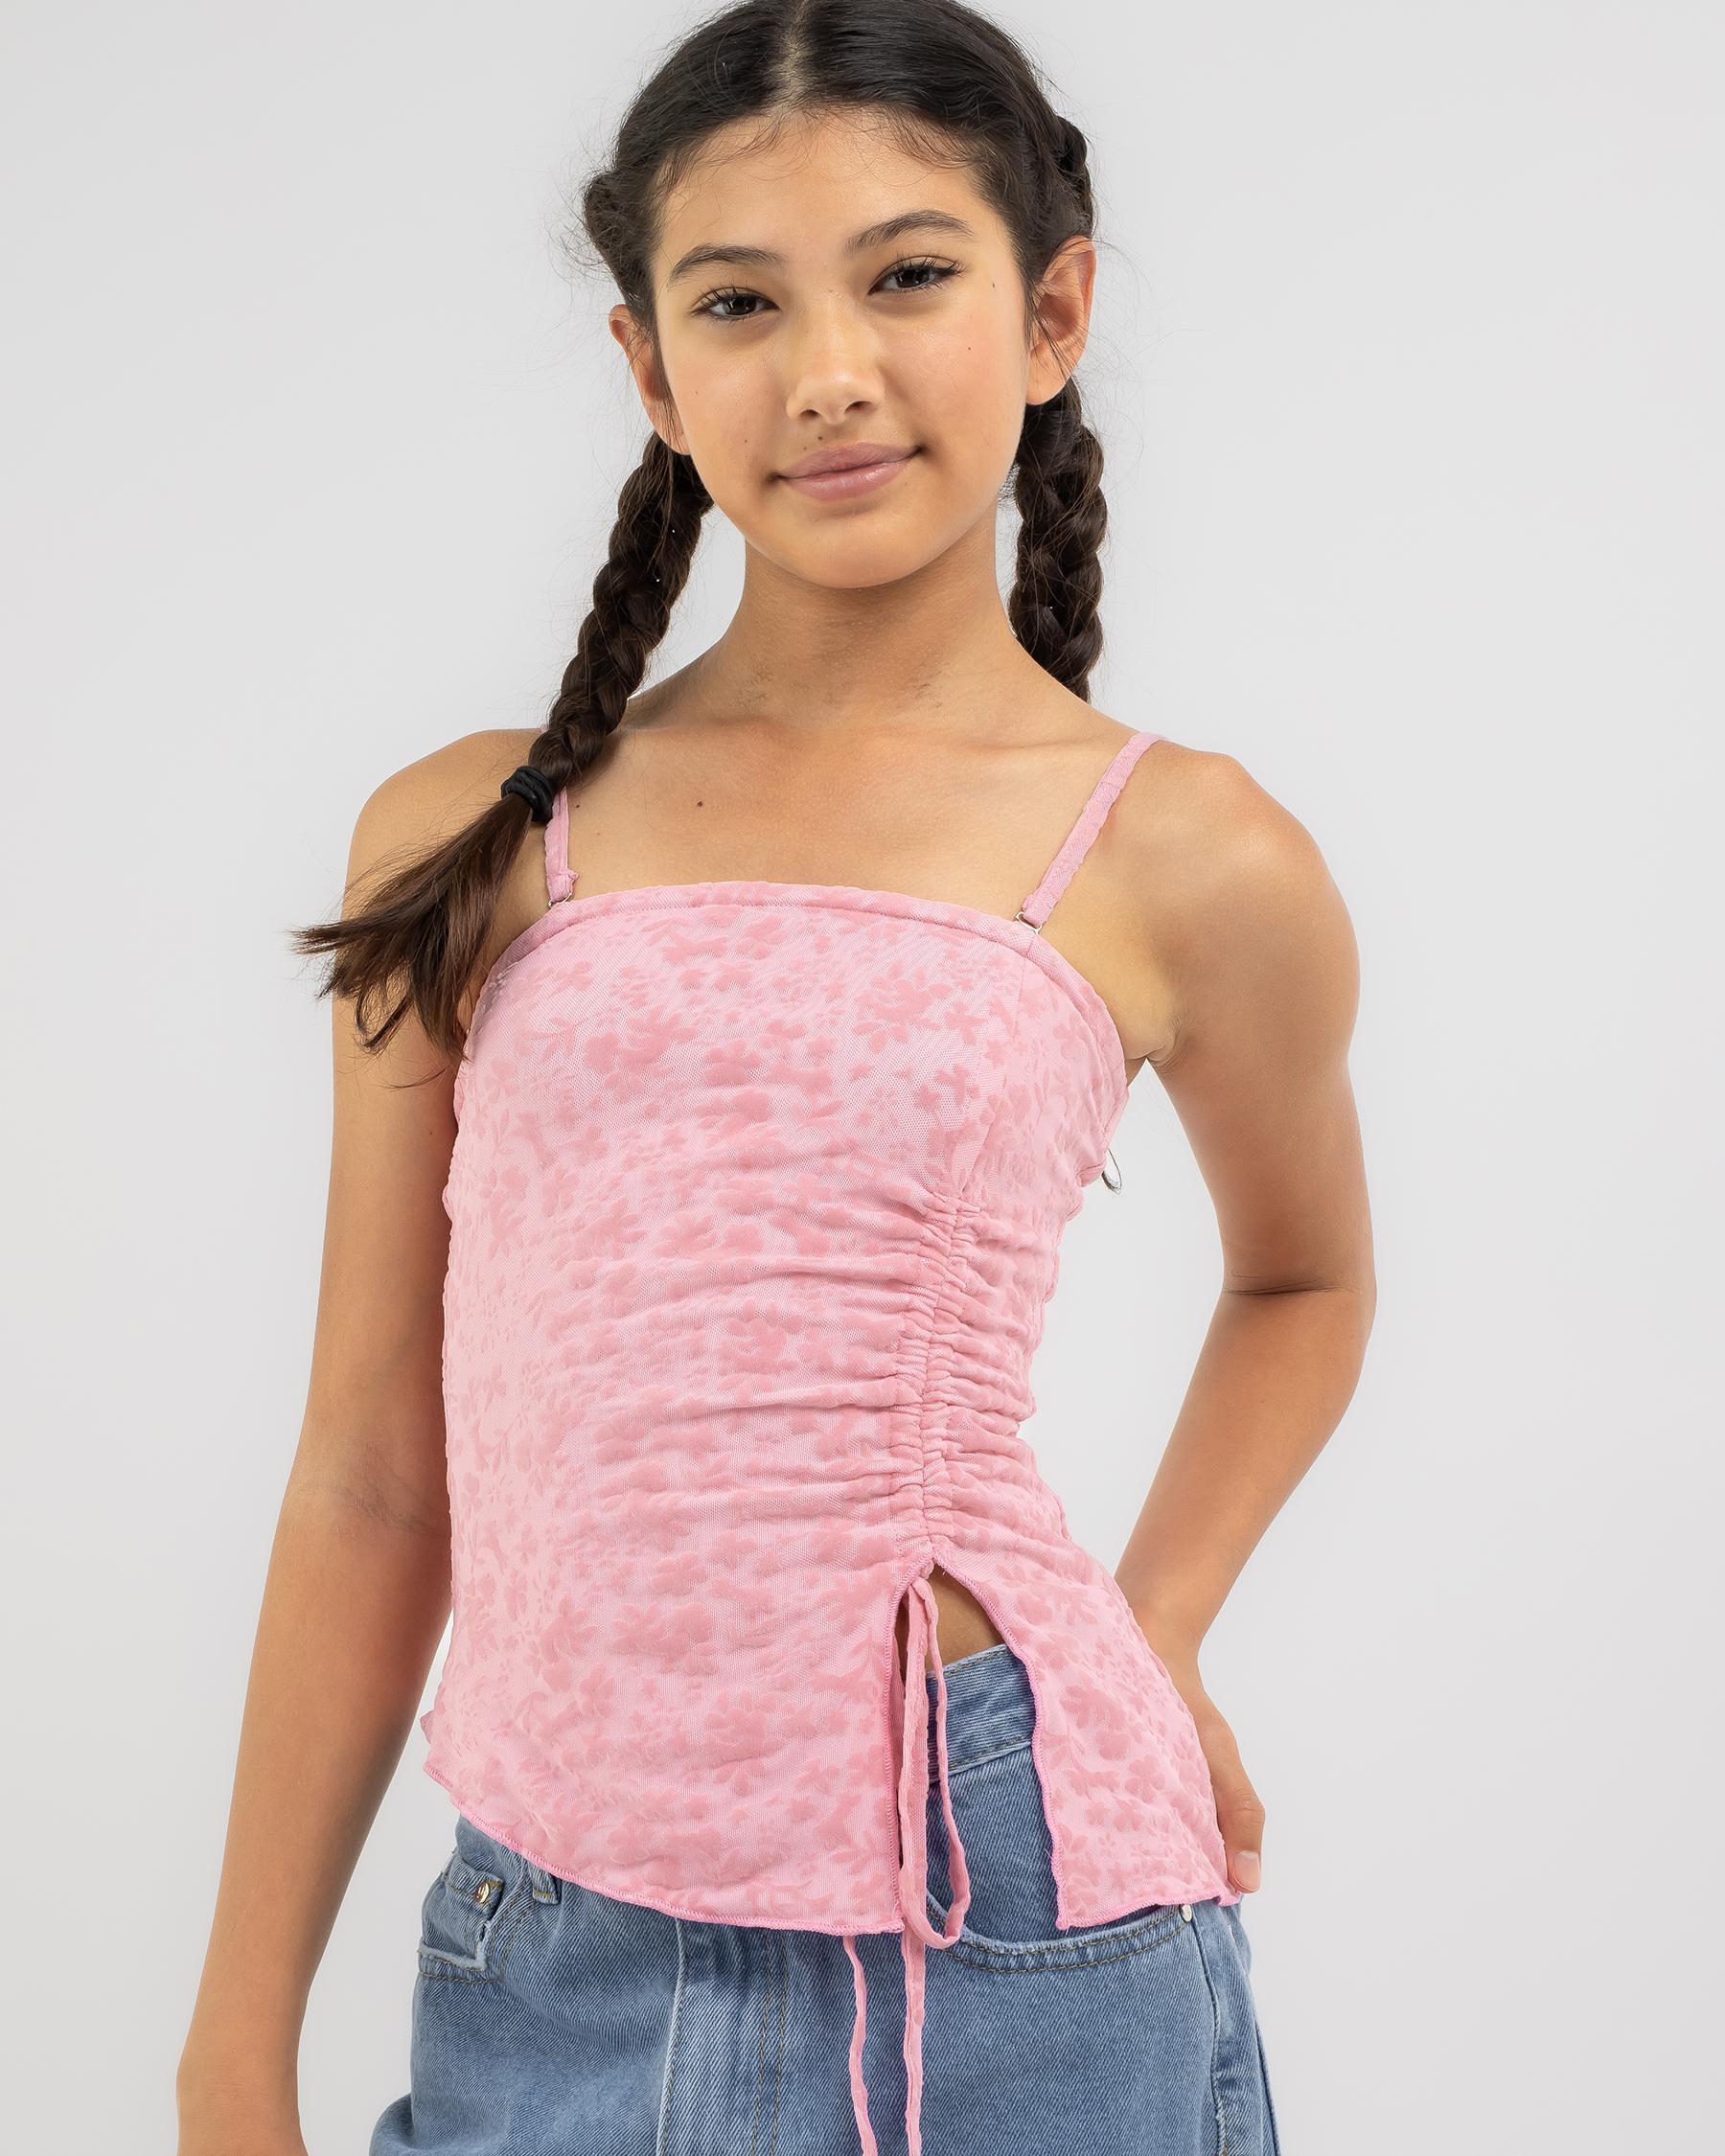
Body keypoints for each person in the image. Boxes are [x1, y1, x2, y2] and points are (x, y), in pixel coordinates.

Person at [174, 3, 1373, 2150]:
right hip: (553, 1939)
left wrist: (1161, 1622)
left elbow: (1306, 1279)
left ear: (1053, 313)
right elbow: (370, 1472)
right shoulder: (479, 840)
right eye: (739, 302)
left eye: (908, 275)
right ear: (650, 367)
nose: (828, 370)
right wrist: (231, 2053)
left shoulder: (1189, 855)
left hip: (1013, 1911)